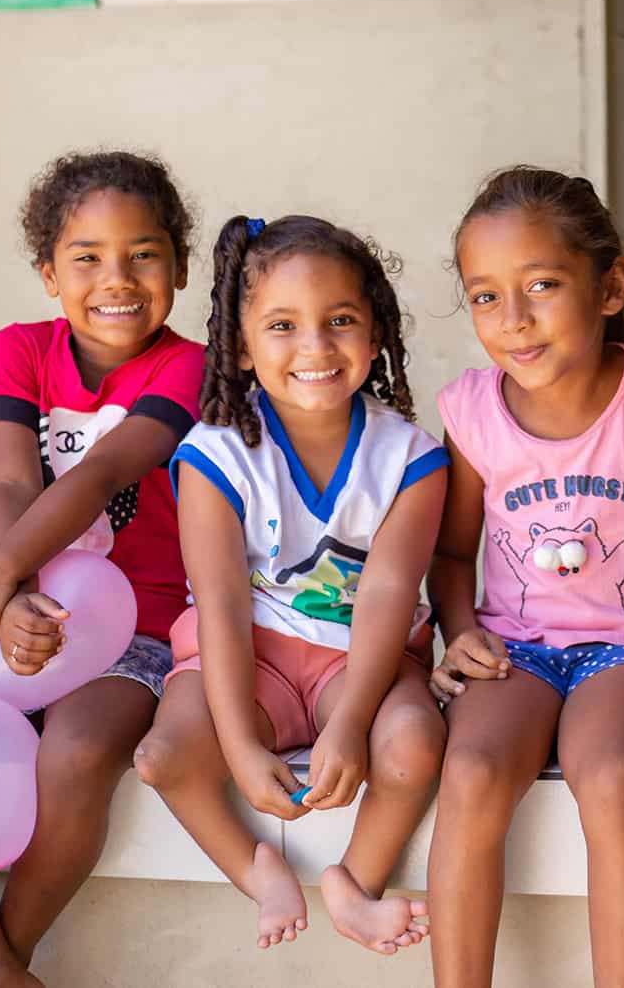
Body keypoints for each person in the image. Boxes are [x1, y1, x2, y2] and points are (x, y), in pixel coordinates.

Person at [0, 151, 205, 988]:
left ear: (181, 266)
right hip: (17, 610)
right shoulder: (16, 350)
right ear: (49, 274)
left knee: (76, 751)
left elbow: (102, 474)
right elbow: (12, 479)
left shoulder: (189, 367)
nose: (115, 277)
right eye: (86, 257)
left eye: (144, 253)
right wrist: (10, 589)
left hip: (139, 628)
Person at [133, 215, 448, 955]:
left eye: (341, 320)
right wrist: (241, 744)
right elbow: (220, 603)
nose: (315, 347)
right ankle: (258, 866)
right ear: (241, 348)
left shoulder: (410, 457)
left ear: (375, 336)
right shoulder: (214, 455)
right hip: (251, 656)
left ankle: (354, 883)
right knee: (163, 758)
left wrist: (350, 720)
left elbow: (386, 594)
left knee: (413, 748)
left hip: (359, 660)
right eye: (282, 325)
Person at [426, 166, 624, 987]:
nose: (514, 320)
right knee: (470, 771)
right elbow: (450, 553)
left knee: (612, 773)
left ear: (609, 286)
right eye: (485, 296)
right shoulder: (471, 410)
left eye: (542, 284)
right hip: (517, 645)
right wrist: (459, 628)